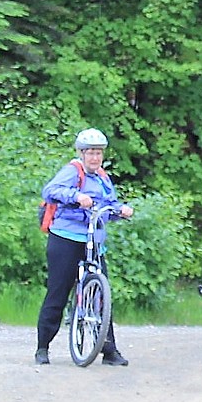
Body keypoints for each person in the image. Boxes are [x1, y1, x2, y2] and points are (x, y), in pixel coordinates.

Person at [35, 127, 134, 366]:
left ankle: (109, 351)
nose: (94, 157)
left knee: (102, 295)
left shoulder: (103, 178)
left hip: (93, 240)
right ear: (81, 153)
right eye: (90, 152)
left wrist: (121, 210)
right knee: (58, 292)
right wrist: (76, 197)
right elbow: (50, 191)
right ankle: (42, 347)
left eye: (98, 153)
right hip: (66, 238)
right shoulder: (72, 171)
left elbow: (109, 206)